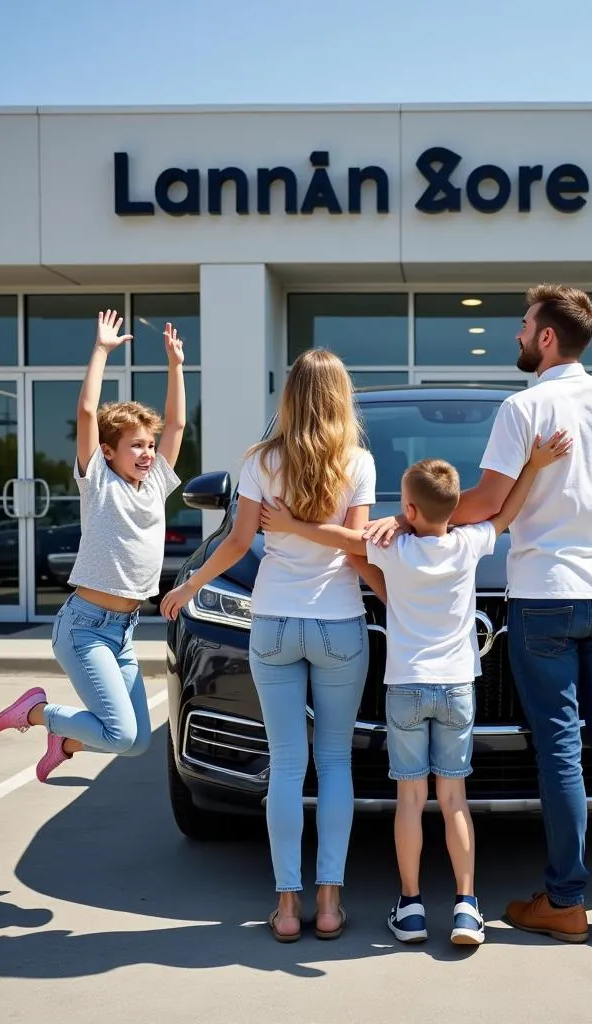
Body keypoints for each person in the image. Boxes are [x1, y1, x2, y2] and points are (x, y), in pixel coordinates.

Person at [369, 284, 592, 945]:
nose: (516, 334)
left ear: (546, 338)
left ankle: (565, 901)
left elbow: (484, 502)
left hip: (542, 596)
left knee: (562, 748)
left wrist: (408, 517)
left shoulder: (525, 407)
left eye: (524, 324)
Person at [260, 432, 572, 946]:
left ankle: (409, 907)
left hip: (405, 687)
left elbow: (345, 543)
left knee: (410, 800)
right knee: (454, 799)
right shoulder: (469, 544)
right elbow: (505, 513)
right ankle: (468, 906)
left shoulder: (394, 549)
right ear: (453, 506)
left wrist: (294, 526)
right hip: (457, 688)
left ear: (406, 508)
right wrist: (533, 465)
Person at [159, 349, 385, 943]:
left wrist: (188, 586)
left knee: (287, 766)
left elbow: (236, 544)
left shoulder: (262, 461)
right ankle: (330, 904)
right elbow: (358, 547)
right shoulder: (357, 462)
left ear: (289, 397)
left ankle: (287, 909)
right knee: (334, 763)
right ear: (342, 398)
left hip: (275, 623)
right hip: (339, 624)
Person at [0, 310, 187, 781]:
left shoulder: (156, 484)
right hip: (84, 629)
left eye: (148, 445)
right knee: (120, 734)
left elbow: (177, 427)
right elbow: (85, 412)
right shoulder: (97, 482)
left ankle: (66, 741)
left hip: (122, 631)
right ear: (108, 451)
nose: (146, 453)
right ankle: (38, 712)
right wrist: (100, 351)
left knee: (138, 741)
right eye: (135, 446)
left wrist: (176, 366)